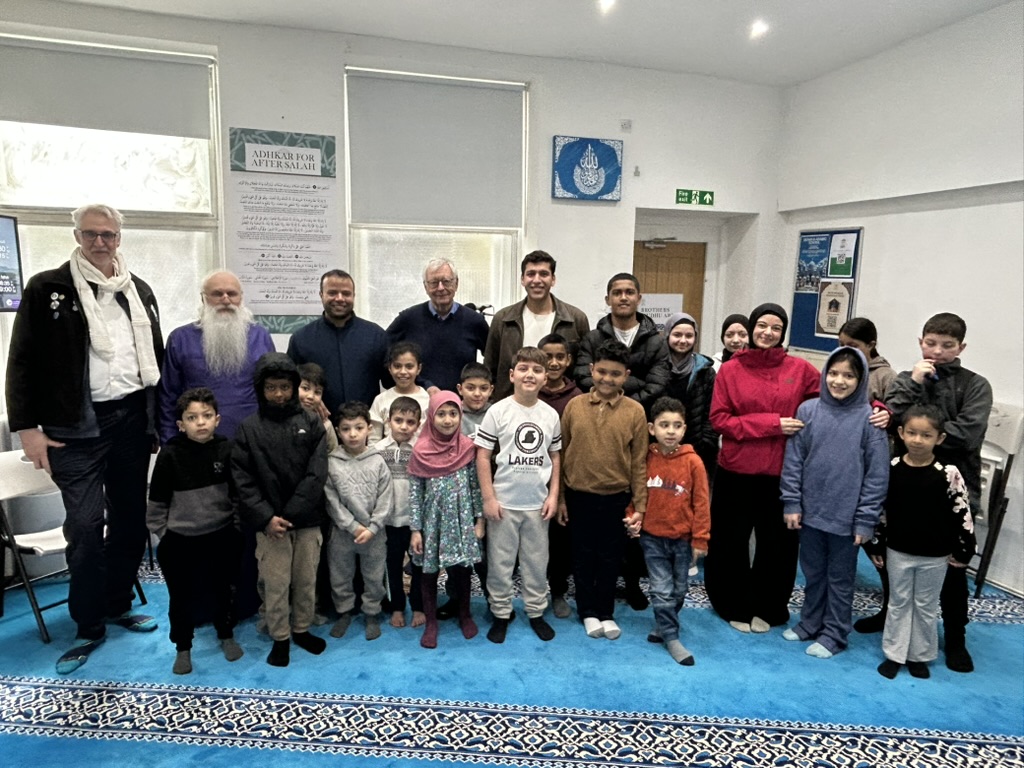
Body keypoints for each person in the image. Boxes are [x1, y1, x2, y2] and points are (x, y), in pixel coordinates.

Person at [6, 203, 163, 674]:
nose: (100, 242)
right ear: (76, 235)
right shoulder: (47, 288)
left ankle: (117, 604)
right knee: (86, 526)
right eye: (91, 234)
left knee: (133, 522)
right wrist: (27, 429)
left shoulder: (139, 290)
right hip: (74, 428)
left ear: (120, 238)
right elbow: (21, 362)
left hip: (132, 420)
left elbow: (152, 358)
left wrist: (156, 422)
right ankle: (89, 623)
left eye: (108, 234)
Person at [883, 312, 992, 672]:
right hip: (905, 484)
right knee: (898, 562)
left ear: (961, 347)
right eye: (931, 343)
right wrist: (914, 383)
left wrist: (923, 435)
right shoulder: (906, 378)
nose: (938, 351)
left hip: (952, 487)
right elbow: (889, 417)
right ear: (921, 342)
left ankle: (956, 638)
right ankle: (892, 622)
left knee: (952, 570)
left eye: (947, 345)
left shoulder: (975, 385)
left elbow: (966, 434)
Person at [705, 303, 820, 634]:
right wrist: (772, 425)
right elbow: (720, 420)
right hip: (736, 471)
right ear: (752, 328)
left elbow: (836, 395)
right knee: (730, 542)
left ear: (783, 333)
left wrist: (877, 408)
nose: (768, 333)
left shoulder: (800, 370)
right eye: (762, 326)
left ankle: (769, 606)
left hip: (782, 474)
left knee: (778, 546)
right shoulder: (730, 370)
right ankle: (731, 602)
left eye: (776, 328)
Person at [779, 348, 889, 659]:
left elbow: (877, 476)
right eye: (834, 373)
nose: (839, 381)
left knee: (840, 579)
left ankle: (835, 634)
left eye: (849, 375)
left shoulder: (871, 420)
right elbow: (794, 461)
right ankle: (810, 623)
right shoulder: (808, 411)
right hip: (810, 512)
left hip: (847, 518)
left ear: (861, 379)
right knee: (813, 572)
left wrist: (866, 518)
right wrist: (791, 502)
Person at [232, 352, 328, 667]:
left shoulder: (312, 422)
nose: (279, 394)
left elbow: (317, 472)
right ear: (261, 389)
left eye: (285, 387)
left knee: (305, 579)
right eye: (271, 387)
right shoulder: (248, 428)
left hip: (307, 519)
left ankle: (301, 629)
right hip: (269, 525)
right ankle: (280, 636)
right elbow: (243, 480)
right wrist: (266, 517)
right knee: (275, 583)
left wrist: (295, 512)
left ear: (293, 387)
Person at [872, 405, 976, 680]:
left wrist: (965, 548)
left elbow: (962, 512)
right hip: (898, 550)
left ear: (939, 438)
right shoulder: (891, 469)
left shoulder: (948, 473)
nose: (918, 440)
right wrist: (876, 544)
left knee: (926, 604)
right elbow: (881, 511)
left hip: (936, 555)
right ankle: (895, 653)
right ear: (901, 433)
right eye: (912, 433)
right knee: (898, 601)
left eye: (926, 435)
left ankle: (919, 655)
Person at [147, 387, 243, 675]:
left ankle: (225, 634)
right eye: (192, 417)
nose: (200, 422)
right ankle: (183, 647)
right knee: (181, 597)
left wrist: (235, 527)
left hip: (221, 535)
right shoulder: (170, 456)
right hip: (180, 542)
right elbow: (157, 502)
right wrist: (165, 533)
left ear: (217, 419)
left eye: (206, 416)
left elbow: (238, 495)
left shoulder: (227, 450)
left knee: (222, 590)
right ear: (181, 424)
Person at [559, 340, 648, 640]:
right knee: (582, 557)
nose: (607, 379)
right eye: (602, 372)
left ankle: (605, 611)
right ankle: (587, 611)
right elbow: (560, 454)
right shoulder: (574, 406)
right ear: (591, 370)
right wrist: (559, 498)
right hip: (578, 495)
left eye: (615, 374)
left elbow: (639, 463)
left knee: (611, 558)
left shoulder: (635, 412)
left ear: (626, 376)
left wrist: (640, 506)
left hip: (616, 498)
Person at [475, 347, 562, 643]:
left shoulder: (550, 415)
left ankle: (535, 611)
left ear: (545, 377)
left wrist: (553, 495)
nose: (530, 374)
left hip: (538, 505)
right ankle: (500, 613)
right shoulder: (497, 411)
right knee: (500, 563)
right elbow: (483, 456)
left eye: (537, 370)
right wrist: (488, 498)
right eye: (523, 368)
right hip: (504, 503)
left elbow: (556, 457)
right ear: (512, 375)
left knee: (537, 562)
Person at [628, 396, 710, 666]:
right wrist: (632, 517)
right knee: (661, 589)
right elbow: (636, 492)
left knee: (679, 589)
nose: (671, 431)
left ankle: (663, 625)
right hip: (652, 538)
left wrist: (701, 539)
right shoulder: (646, 459)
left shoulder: (693, 462)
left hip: (683, 540)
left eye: (676, 425)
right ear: (652, 429)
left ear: (684, 429)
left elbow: (701, 503)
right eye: (664, 425)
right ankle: (672, 637)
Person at [158, 270, 275, 444]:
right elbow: (168, 396)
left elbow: (274, 390)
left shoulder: (260, 336)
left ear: (241, 298)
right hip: (197, 444)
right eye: (217, 294)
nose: (226, 300)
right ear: (203, 298)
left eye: (232, 294)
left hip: (252, 441)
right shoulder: (180, 339)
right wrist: (170, 442)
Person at [409, 392, 486, 648]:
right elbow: (415, 494)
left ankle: (465, 614)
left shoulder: (466, 447)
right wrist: (416, 530)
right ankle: (431, 622)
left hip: (462, 521)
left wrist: (479, 521)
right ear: (431, 416)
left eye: (453, 413)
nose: (447, 419)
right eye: (441, 413)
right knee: (429, 572)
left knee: (462, 570)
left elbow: (476, 487)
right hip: (432, 523)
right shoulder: (420, 451)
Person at [325, 401, 394, 642]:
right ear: (337, 431)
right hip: (343, 534)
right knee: (340, 575)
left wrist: (373, 527)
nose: (352, 434)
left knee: (373, 576)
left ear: (369, 429)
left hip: (374, 535)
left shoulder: (378, 461)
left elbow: (386, 498)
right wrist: (353, 526)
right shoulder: (332, 462)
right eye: (345, 429)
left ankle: (372, 613)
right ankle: (344, 612)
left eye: (358, 427)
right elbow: (331, 501)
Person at [484, 251, 590, 401]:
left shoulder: (576, 319)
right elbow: (490, 368)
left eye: (544, 274)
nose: (537, 280)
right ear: (522, 279)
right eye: (531, 274)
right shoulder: (503, 319)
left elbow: (582, 369)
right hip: (511, 405)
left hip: (561, 405)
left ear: (553, 279)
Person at [287, 269, 391, 416]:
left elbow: (392, 381)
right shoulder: (301, 339)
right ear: (321, 295)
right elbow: (290, 384)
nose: (340, 298)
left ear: (354, 296)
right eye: (332, 293)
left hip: (365, 428)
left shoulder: (376, 336)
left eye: (346, 294)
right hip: (317, 426)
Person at [387, 258, 490, 392]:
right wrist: (422, 384)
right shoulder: (408, 319)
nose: (440, 288)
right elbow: (384, 353)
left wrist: (479, 388)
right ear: (425, 287)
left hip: (462, 405)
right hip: (418, 404)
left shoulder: (475, 321)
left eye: (446, 281)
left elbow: (493, 361)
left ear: (456, 284)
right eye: (434, 283)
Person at [574, 273, 669, 413]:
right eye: (617, 293)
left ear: (639, 298)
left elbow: (657, 385)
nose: (623, 298)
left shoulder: (657, 342)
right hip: (599, 413)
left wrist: (624, 405)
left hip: (642, 416)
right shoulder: (592, 339)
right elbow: (583, 377)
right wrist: (638, 383)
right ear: (608, 299)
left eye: (629, 292)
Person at [537, 332, 582, 619]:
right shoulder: (527, 394)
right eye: (547, 357)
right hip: (527, 481)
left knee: (559, 541)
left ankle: (557, 590)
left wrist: (562, 493)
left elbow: (572, 449)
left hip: (563, 483)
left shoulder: (578, 400)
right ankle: (531, 592)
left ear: (569, 361)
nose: (553, 363)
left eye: (559, 357)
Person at [375, 397, 425, 629]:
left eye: (410, 422)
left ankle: (418, 606)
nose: (404, 426)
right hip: (388, 521)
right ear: (388, 421)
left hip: (415, 522)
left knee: (419, 566)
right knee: (392, 566)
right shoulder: (376, 451)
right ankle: (397, 606)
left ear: (418, 424)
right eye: (398, 420)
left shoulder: (421, 450)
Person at [662, 313, 718, 477]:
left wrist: (703, 443)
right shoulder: (657, 366)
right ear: (667, 335)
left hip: (696, 450)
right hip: (659, 448)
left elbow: (711, 411)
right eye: (677, 335)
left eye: (689, 336)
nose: (683, 340)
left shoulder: (705, 371)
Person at [369, 342, 430, 443]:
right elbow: (373, 441)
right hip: (386, 457)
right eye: (397, 366)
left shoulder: (428, 399)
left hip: (420, 456)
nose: (403, 372)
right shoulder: (380, 400)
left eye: (409, 367)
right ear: (390, 368)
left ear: (418, 369)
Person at [838, 317, 897, 403]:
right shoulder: (837, 369)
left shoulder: (886, 376)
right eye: (841, 345)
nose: (845, 351)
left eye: (852, 346)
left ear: (870, 345)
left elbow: (892, 411)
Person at [297, 362, 338, 453]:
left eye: (317, 392)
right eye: (305, 388)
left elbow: (335, 456)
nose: (311, 396)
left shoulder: (326, 425)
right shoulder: (282, 420)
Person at [457, 362, 494, 439]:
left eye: (483, 388)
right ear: (460, 389)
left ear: (491, 390)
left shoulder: (497, 414)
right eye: (470, 388)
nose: (477, 394)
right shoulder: (453, 414)